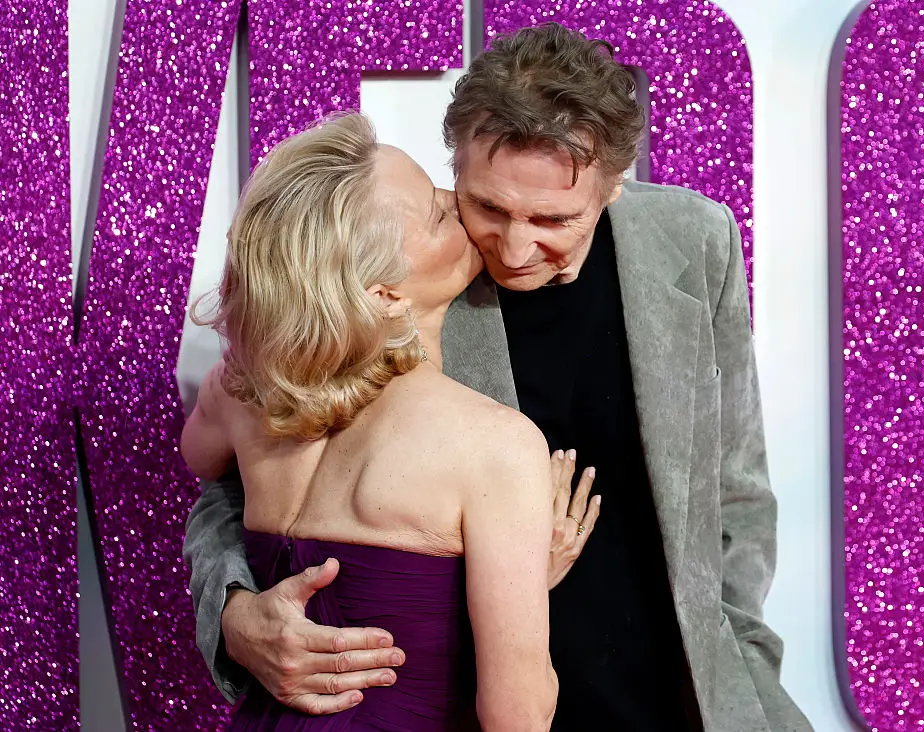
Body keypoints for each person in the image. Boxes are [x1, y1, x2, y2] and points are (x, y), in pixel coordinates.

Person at [185, 22, 812, 732]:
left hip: (678, 702)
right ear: (458, 168)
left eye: (552, 219)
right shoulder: (401, 270)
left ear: (612, 190)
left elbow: (736, 491)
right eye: (487, 206)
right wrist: (234, 609)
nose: (513, 247)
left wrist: (742, 661)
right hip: (485, 701)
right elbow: (241, 483)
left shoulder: (697, 237)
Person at [180, 112, 600, 731]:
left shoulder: (242, 394)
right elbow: (516, 714)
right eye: (436, 213)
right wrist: (519, 581)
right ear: (385, 294)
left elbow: (201, 462)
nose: (459, 205)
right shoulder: (495, 444)